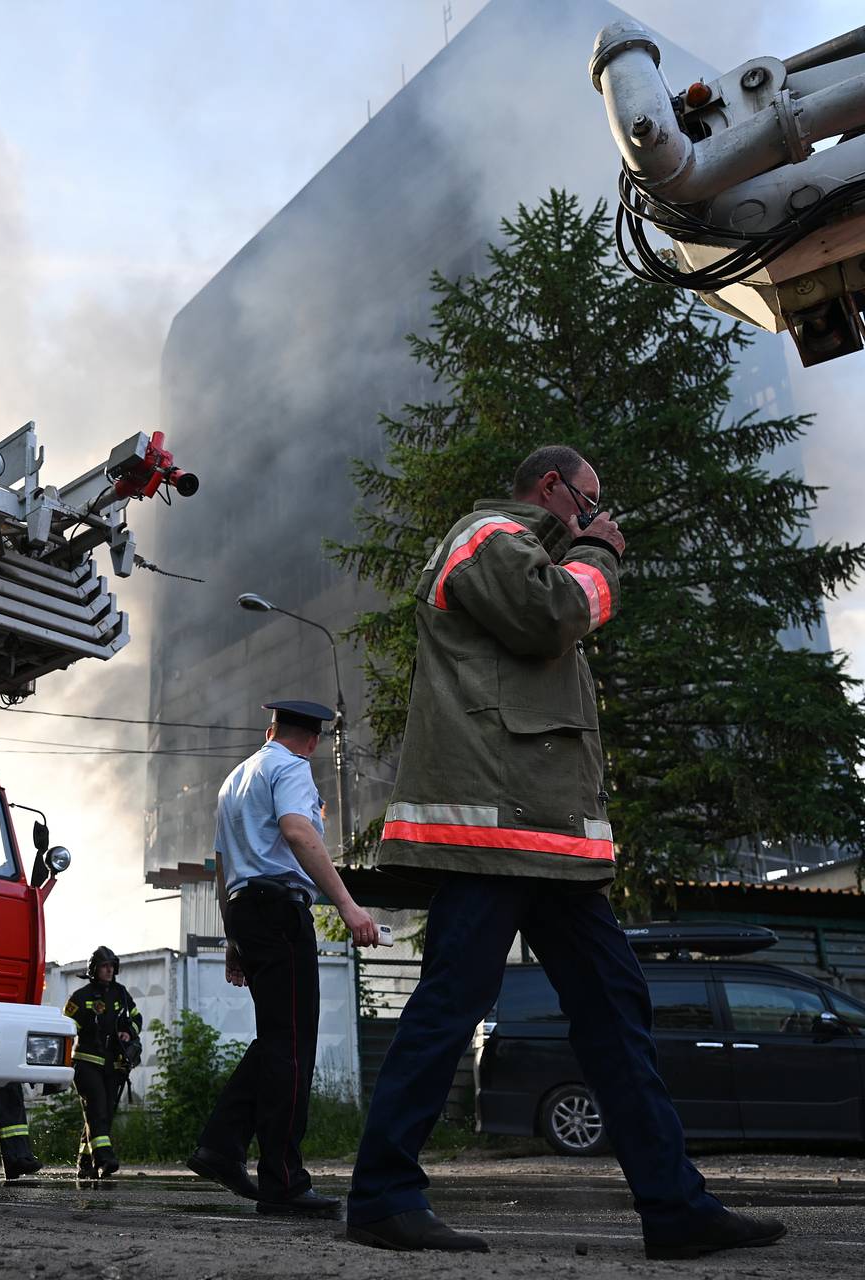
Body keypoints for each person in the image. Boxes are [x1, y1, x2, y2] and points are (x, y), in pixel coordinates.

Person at [345, 446, 786, 1259]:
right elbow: (553, 615)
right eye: (587, 501)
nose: (595, 516)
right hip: (496, 838)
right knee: (450, 1007)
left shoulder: (517, 553)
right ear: (550, 488)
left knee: (615, 1011)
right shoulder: (488, 536)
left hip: (544, 842)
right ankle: (380, 1196)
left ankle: (675, 1208)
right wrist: (598, 552)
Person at [187, 699, 380, 1220]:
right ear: (314, 741)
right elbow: (298, 832)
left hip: (248, 911)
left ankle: (221, 1146)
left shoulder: (235, 779)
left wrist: (233, 938)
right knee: (292, 1047)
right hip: (279, 912)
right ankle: (284, 1182)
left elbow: (223, 865)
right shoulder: (292, 768)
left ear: (269, 729)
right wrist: (348, 905)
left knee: (278, 1041)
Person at [64, 945, 142, 1179]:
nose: (109, 971)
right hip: (86, 1063)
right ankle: (104, 1159)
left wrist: (129, 1032)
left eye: (111, 966)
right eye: (104, 967)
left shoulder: (121, 993)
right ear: (94, 970)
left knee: (103, 1114)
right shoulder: (81, 997)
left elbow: (136, 1018)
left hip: (113, 1065)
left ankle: (84, 1162)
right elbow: (66, 1029)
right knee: (96, 1108)